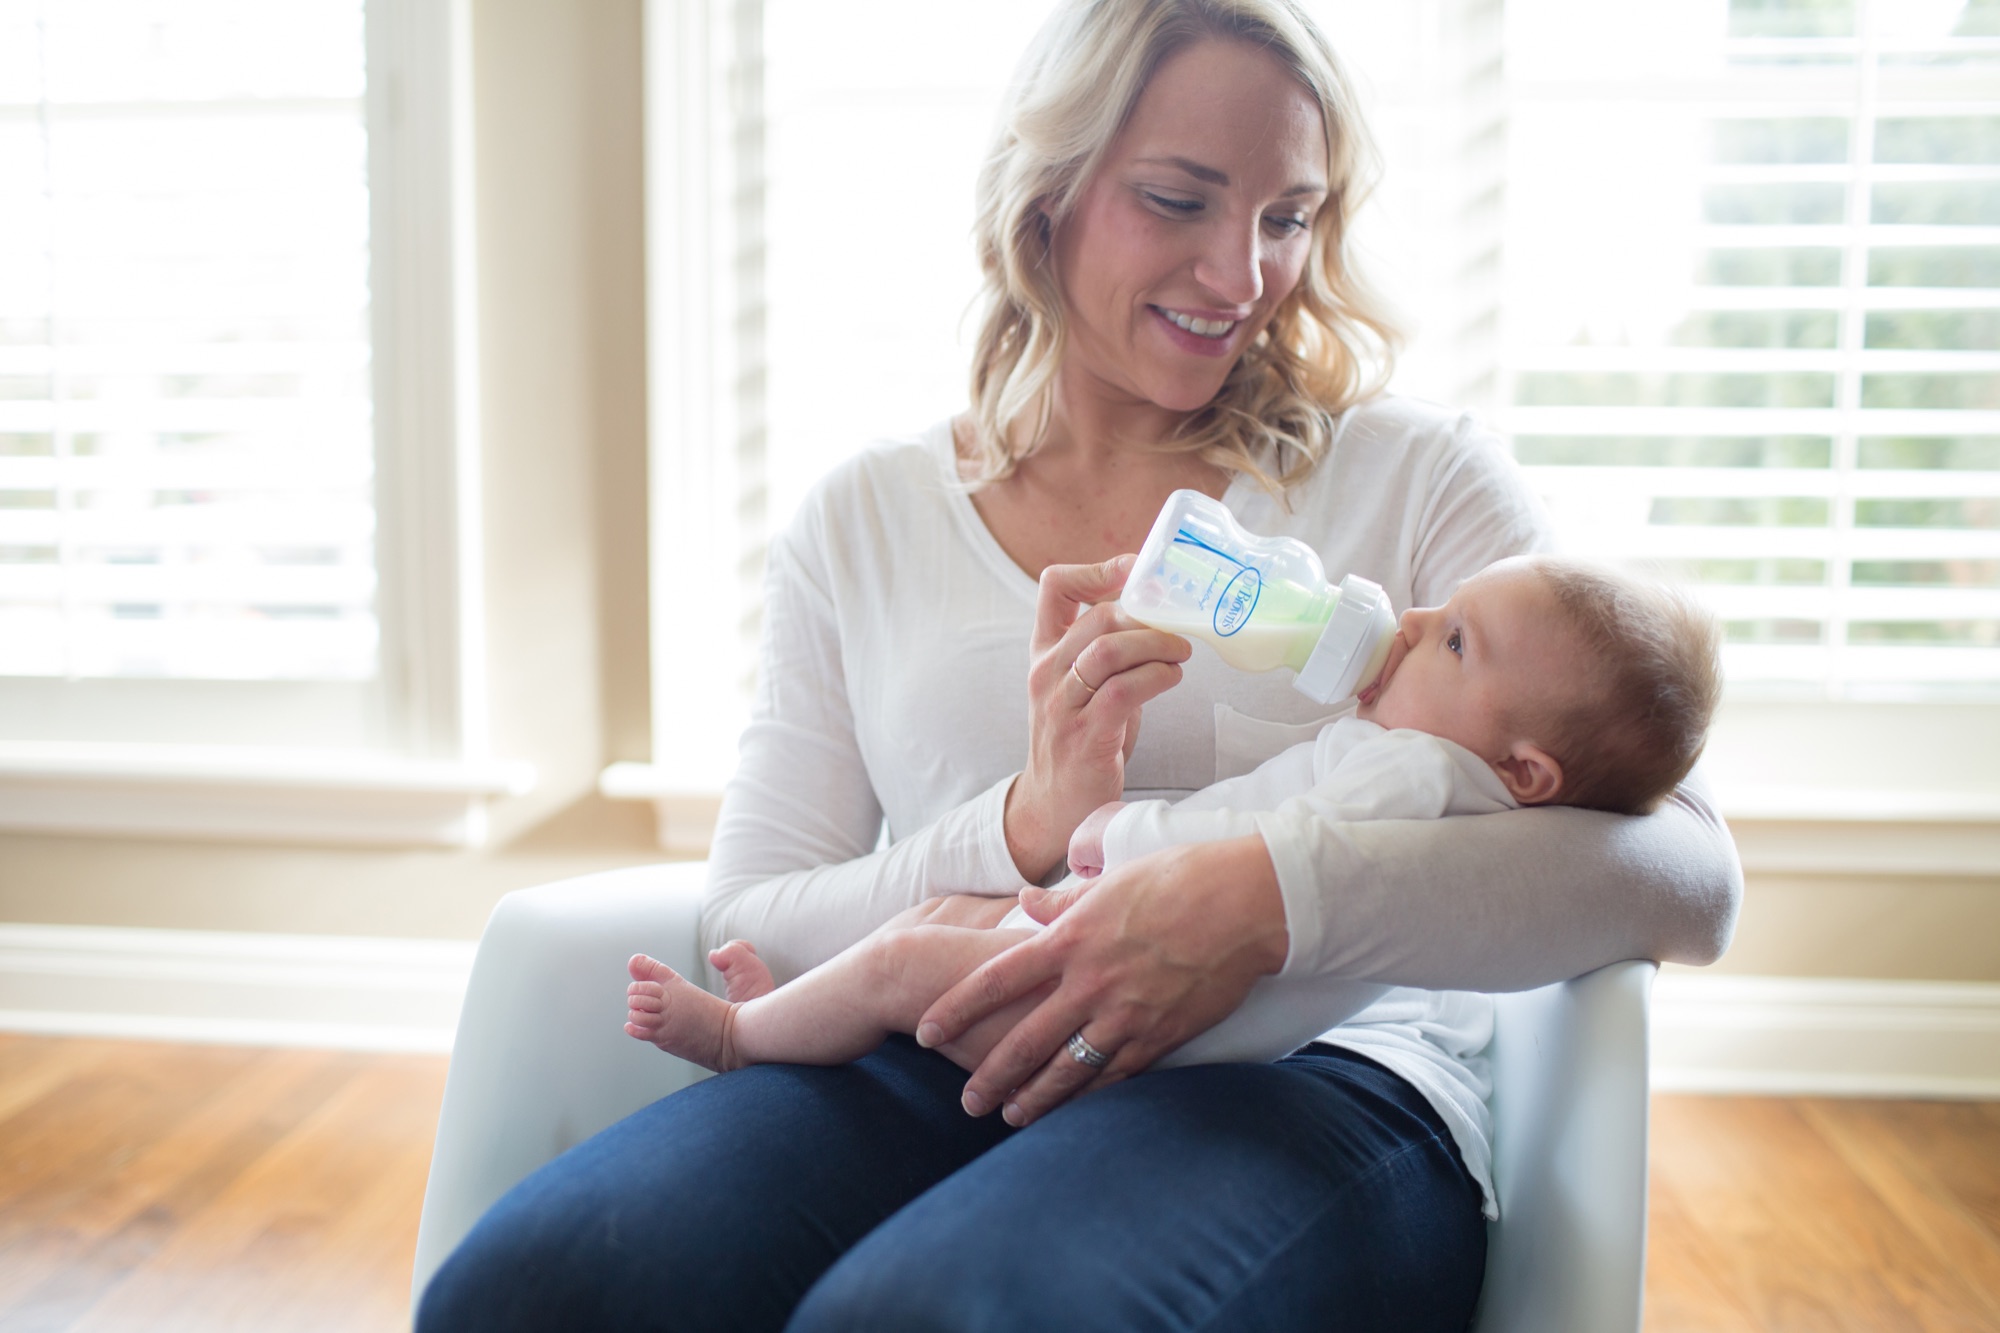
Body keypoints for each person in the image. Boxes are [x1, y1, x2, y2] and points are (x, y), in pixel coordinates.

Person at [418, 3, 1741, 1329]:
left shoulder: (1418, 482)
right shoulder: (866, 520)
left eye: (1288, 217)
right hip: (947, 1039)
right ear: (1045, 196)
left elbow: (1686, 875)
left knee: (937, 1314)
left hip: (1313, 1077)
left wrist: (1257, 901)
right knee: (535, 1289)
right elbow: (750, 924)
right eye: (1180, 200)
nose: (1243, 274)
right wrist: (1026, 827)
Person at [623, 553, 1723, 1079]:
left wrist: (1104, 832)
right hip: (1138, 971)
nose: (1418, 611)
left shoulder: (1418, 778)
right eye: (1175, 198)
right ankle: (801, 1019)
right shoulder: (1423, 761)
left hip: (1143, 1007)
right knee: (942, 920)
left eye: (1453, 641)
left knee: (908, 957)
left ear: (1527, 770)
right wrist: (1039, 814)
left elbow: (1254, 853)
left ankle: (738, 1036)